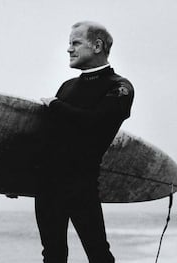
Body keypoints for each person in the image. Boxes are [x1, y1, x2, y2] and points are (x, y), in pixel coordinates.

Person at [37, 21, 134, 263]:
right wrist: (12, 179)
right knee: (53, 255)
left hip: (82, 185)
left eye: (75, 43)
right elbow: (47, 140)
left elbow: (95, 123)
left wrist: (55, 105)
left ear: (97, 45)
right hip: (47, 185)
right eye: (69, 44)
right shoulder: (67, 87)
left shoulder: (119, 87)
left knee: (99, 255)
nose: (69, 49)